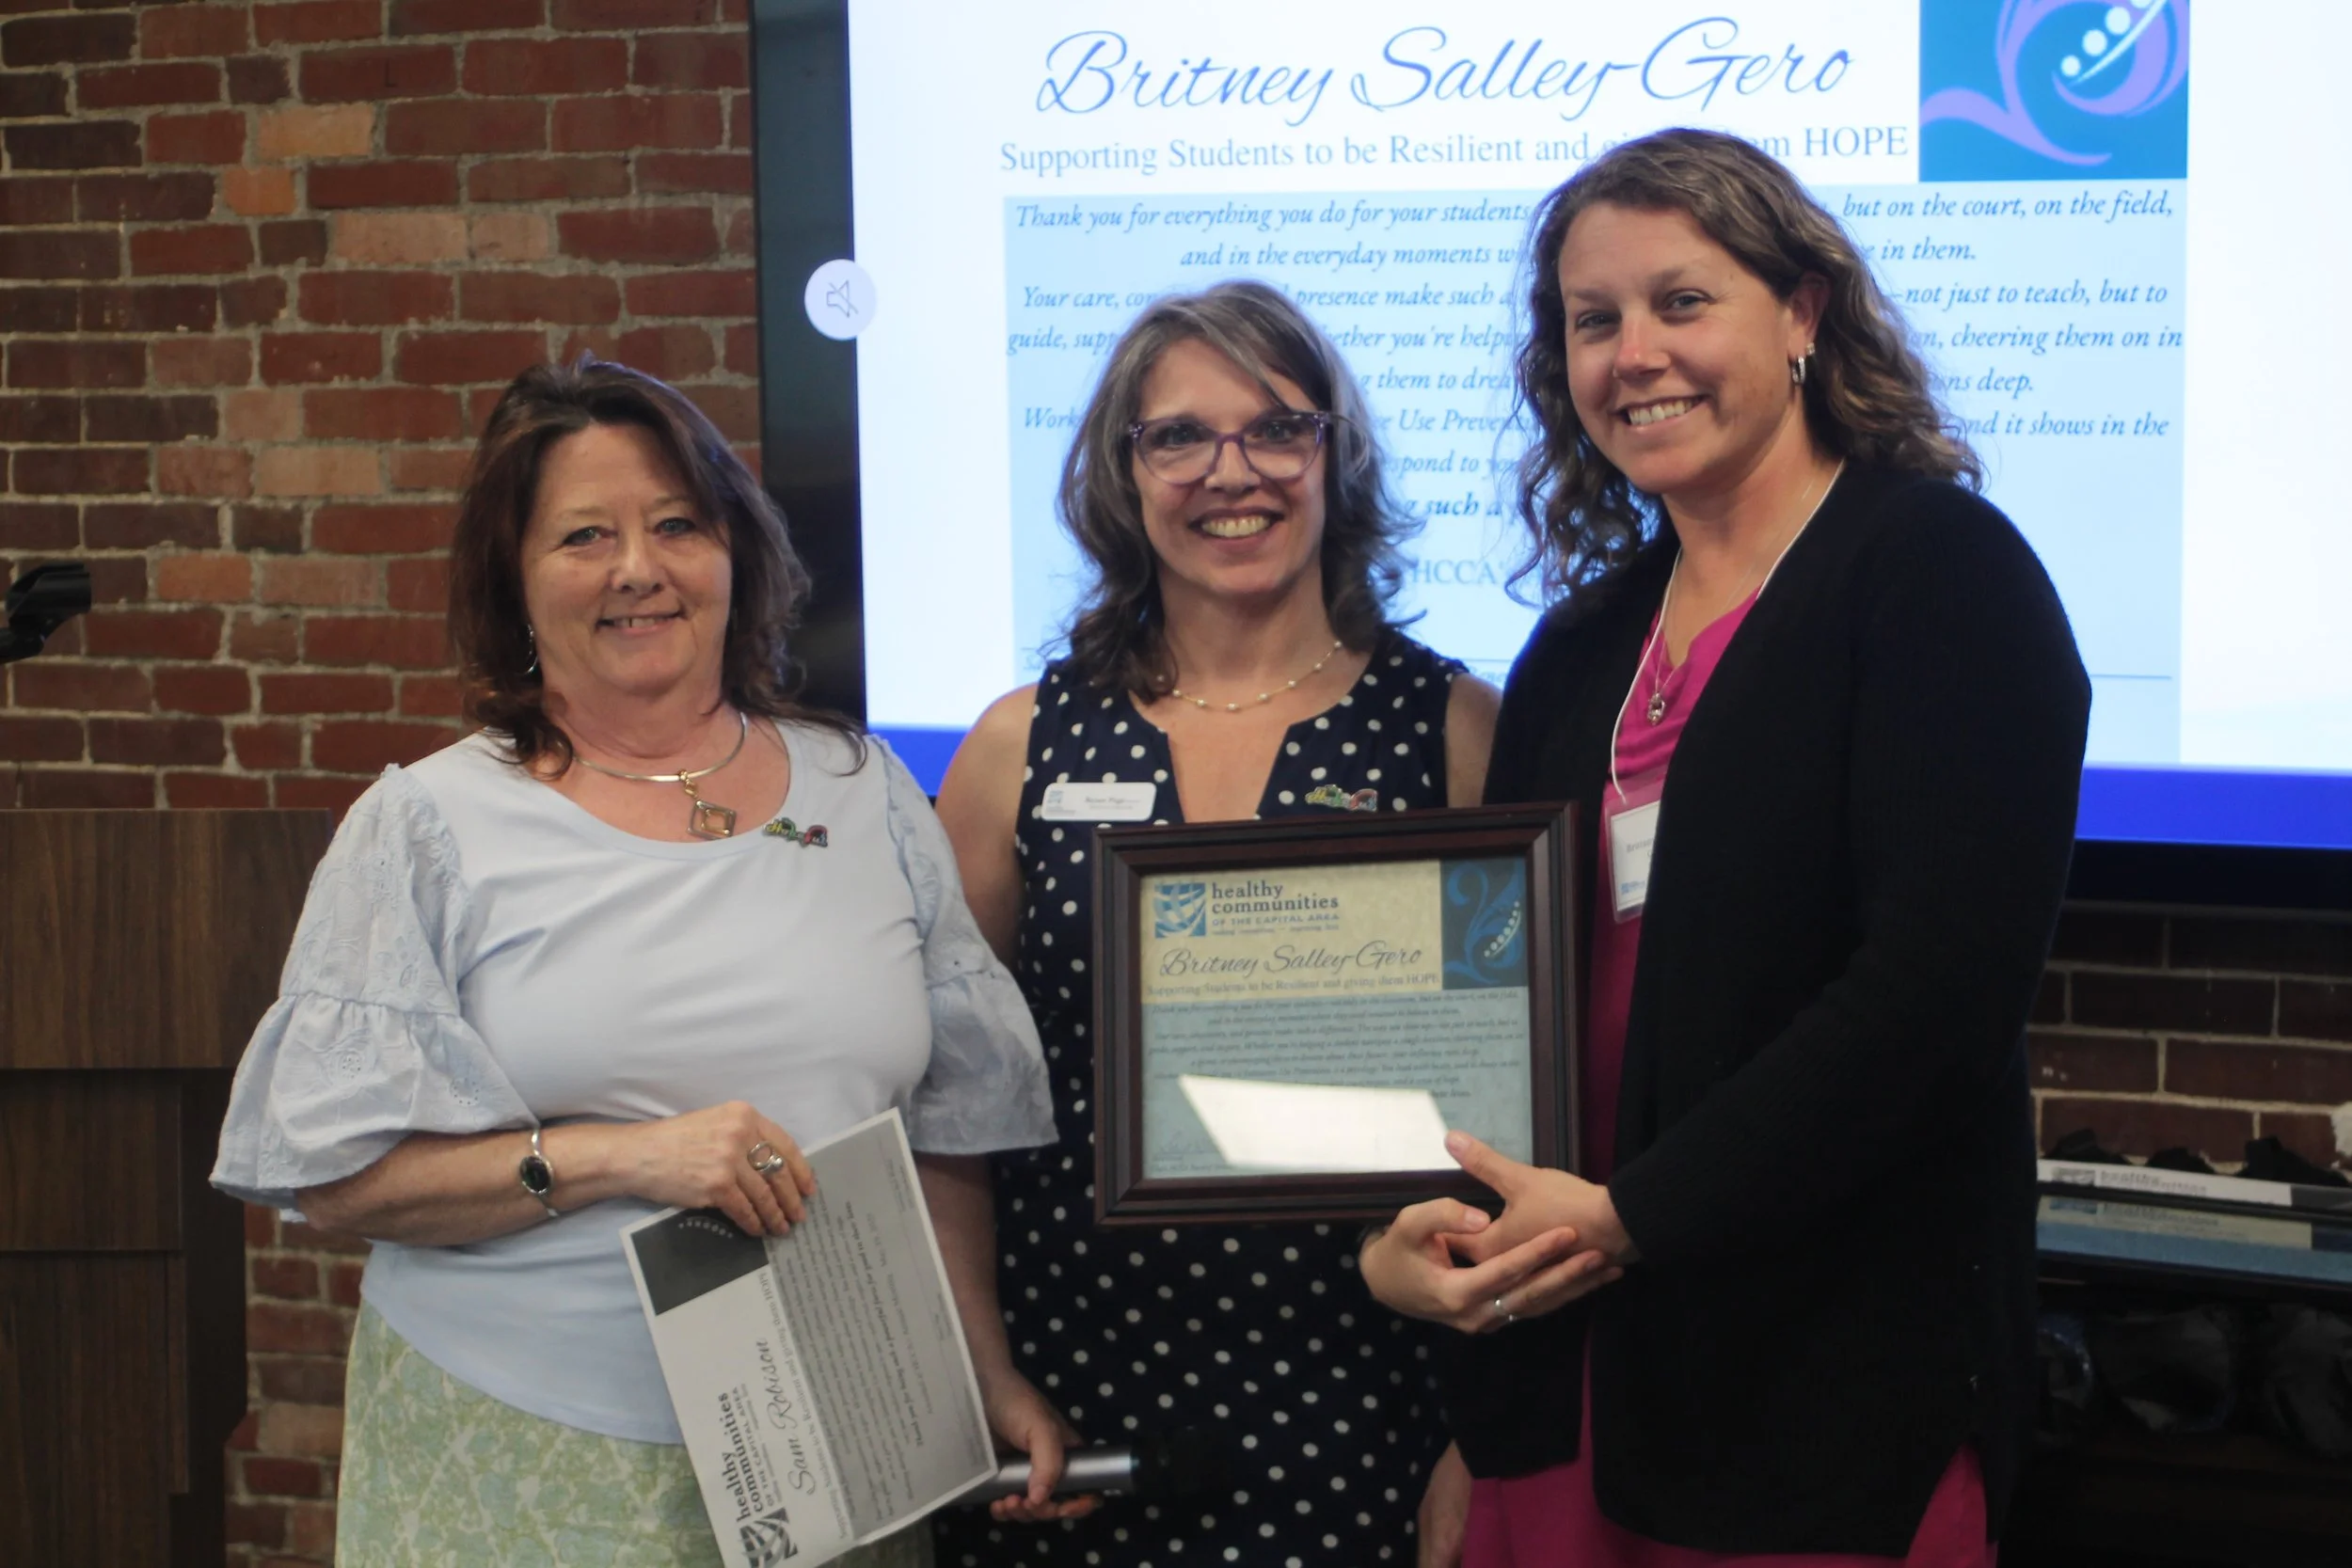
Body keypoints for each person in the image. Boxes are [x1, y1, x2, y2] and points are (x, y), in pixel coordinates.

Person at [212, 358, 1084, 1568]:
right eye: (585, 535)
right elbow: (340, 1177)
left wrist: (980, 1371)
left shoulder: (867, 789)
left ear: (736, 553)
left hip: (837, 1441)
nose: (638, 567)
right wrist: (624, 1155)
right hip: (525, 1450)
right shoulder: (427, 825)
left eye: (677, 523)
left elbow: (945, 1131)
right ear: (515, 579)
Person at [1359, 128, 2091, 1567]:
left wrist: (1632, 1216)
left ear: (1804, 311)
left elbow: (1934, 999)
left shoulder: (1937, 574)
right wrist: (1415, 1228)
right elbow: (1487, 995)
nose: (1635, 354)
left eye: (1681, 301)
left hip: (1815, 1389)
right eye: (1594, 320)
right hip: (1567, 1357)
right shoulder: (1579, 645)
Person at [928, 279, 1502, 1568]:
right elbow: (953, 1104)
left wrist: (1484, 1430)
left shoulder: (1452, 732)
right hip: (1070, 1401)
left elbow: (1524, 1120)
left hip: (1369, 1394)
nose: (1229, 471)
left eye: (1277, 428)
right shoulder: (1021, 746)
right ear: (1122, 473)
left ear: (1332, 456)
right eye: (1179, 435)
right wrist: (984, 1364)